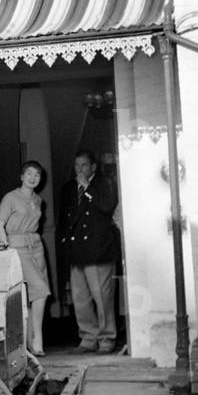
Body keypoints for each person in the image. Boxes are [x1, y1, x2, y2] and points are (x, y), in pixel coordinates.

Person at [58, 150, 120, 354]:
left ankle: (107, 338)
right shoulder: (68, 188)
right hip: (76, 251)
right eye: (77, 166)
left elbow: (107, 206)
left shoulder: (104, 184)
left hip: (98, 249)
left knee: (102, 297)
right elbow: (64, 221)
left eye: (84, 165)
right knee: (80, 298)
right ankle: (88, 337)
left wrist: (87, 188)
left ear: (93, 167)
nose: (80, 169)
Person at [0, 160, 51, 356]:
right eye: (29, 174)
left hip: (36, 245)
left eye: (37, 175)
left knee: (34, 293)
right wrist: (7, 247)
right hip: (17, 247)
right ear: (22, 176)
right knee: (41, 291)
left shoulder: (38, 200)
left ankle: (30, 341)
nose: (33, 178)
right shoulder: (10, 197)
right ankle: (37, 341)